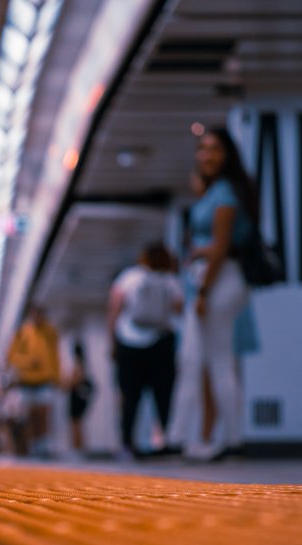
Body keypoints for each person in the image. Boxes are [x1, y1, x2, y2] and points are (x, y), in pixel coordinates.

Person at [177, 126, 258, 461]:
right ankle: (199, 436)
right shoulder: (214, 192)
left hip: (220, 281)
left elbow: (221, 247)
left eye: (214, 149)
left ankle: (228, 438)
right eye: (202, 148)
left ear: (227, 155)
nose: (206, 155)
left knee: (217, 361)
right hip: (217, 279)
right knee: (203, 360)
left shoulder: (224, 193)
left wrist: (203, 291)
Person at [107, 242, 183, 458]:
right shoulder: (170, 280)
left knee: (130, 396)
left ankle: (127, 444)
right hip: (161, 342)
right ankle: (166, 441)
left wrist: (112, 341)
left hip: (129, 342)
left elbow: (114, 308)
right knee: (163, 396)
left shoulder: (129, 277)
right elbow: (179, 309)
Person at [5, 303, 61, 458]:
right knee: (30, 415)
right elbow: (11, 356)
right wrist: (28, 362)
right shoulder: (22, 333)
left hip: (45, 379)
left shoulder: (50, 333)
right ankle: (31, 446)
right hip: (27, 380)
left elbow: (55, 356)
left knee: (43, 413)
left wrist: (57, 376)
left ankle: (43, 446)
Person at [65, 339, 95, 455]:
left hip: (76, 396)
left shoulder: (78, 363)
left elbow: (77, 379)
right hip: (79, 396)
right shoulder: (83, 362)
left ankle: (77, 448)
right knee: (78, 423)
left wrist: (67, 383)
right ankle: (79, 447)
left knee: (75, 423)